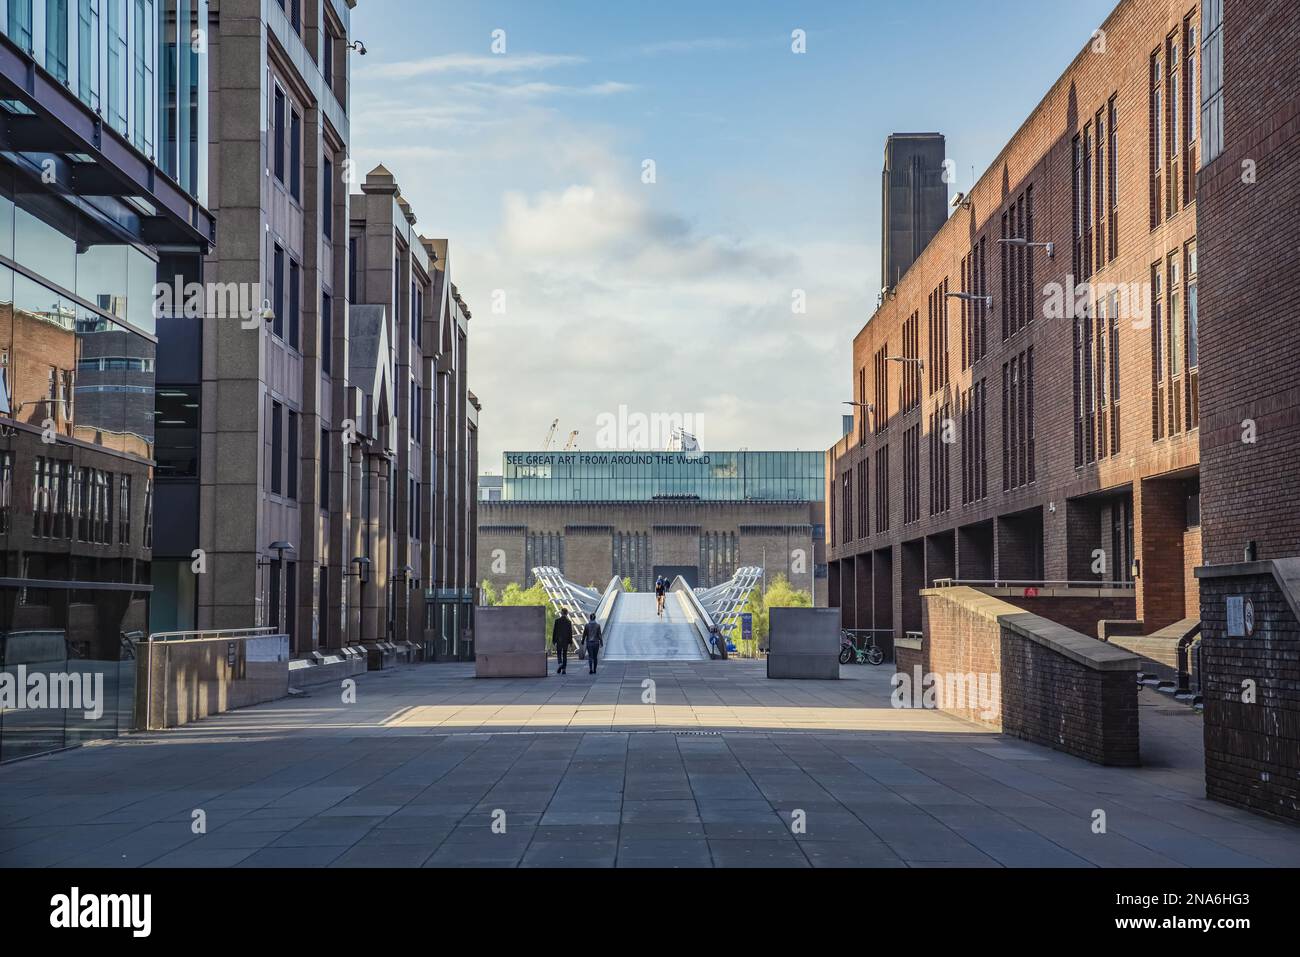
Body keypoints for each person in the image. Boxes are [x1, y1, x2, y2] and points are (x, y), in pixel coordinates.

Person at [552, 608, 573, 675]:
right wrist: (570, 642)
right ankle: (564, 669)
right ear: (566, 613)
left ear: (561, 613)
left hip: (559, 640)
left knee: (559, 653)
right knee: (564, 655)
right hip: (566, 641)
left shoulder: (557, 621)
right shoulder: (568, 622)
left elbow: (555, 631)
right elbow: (570, 633)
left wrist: (554, 640)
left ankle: (560, 663)